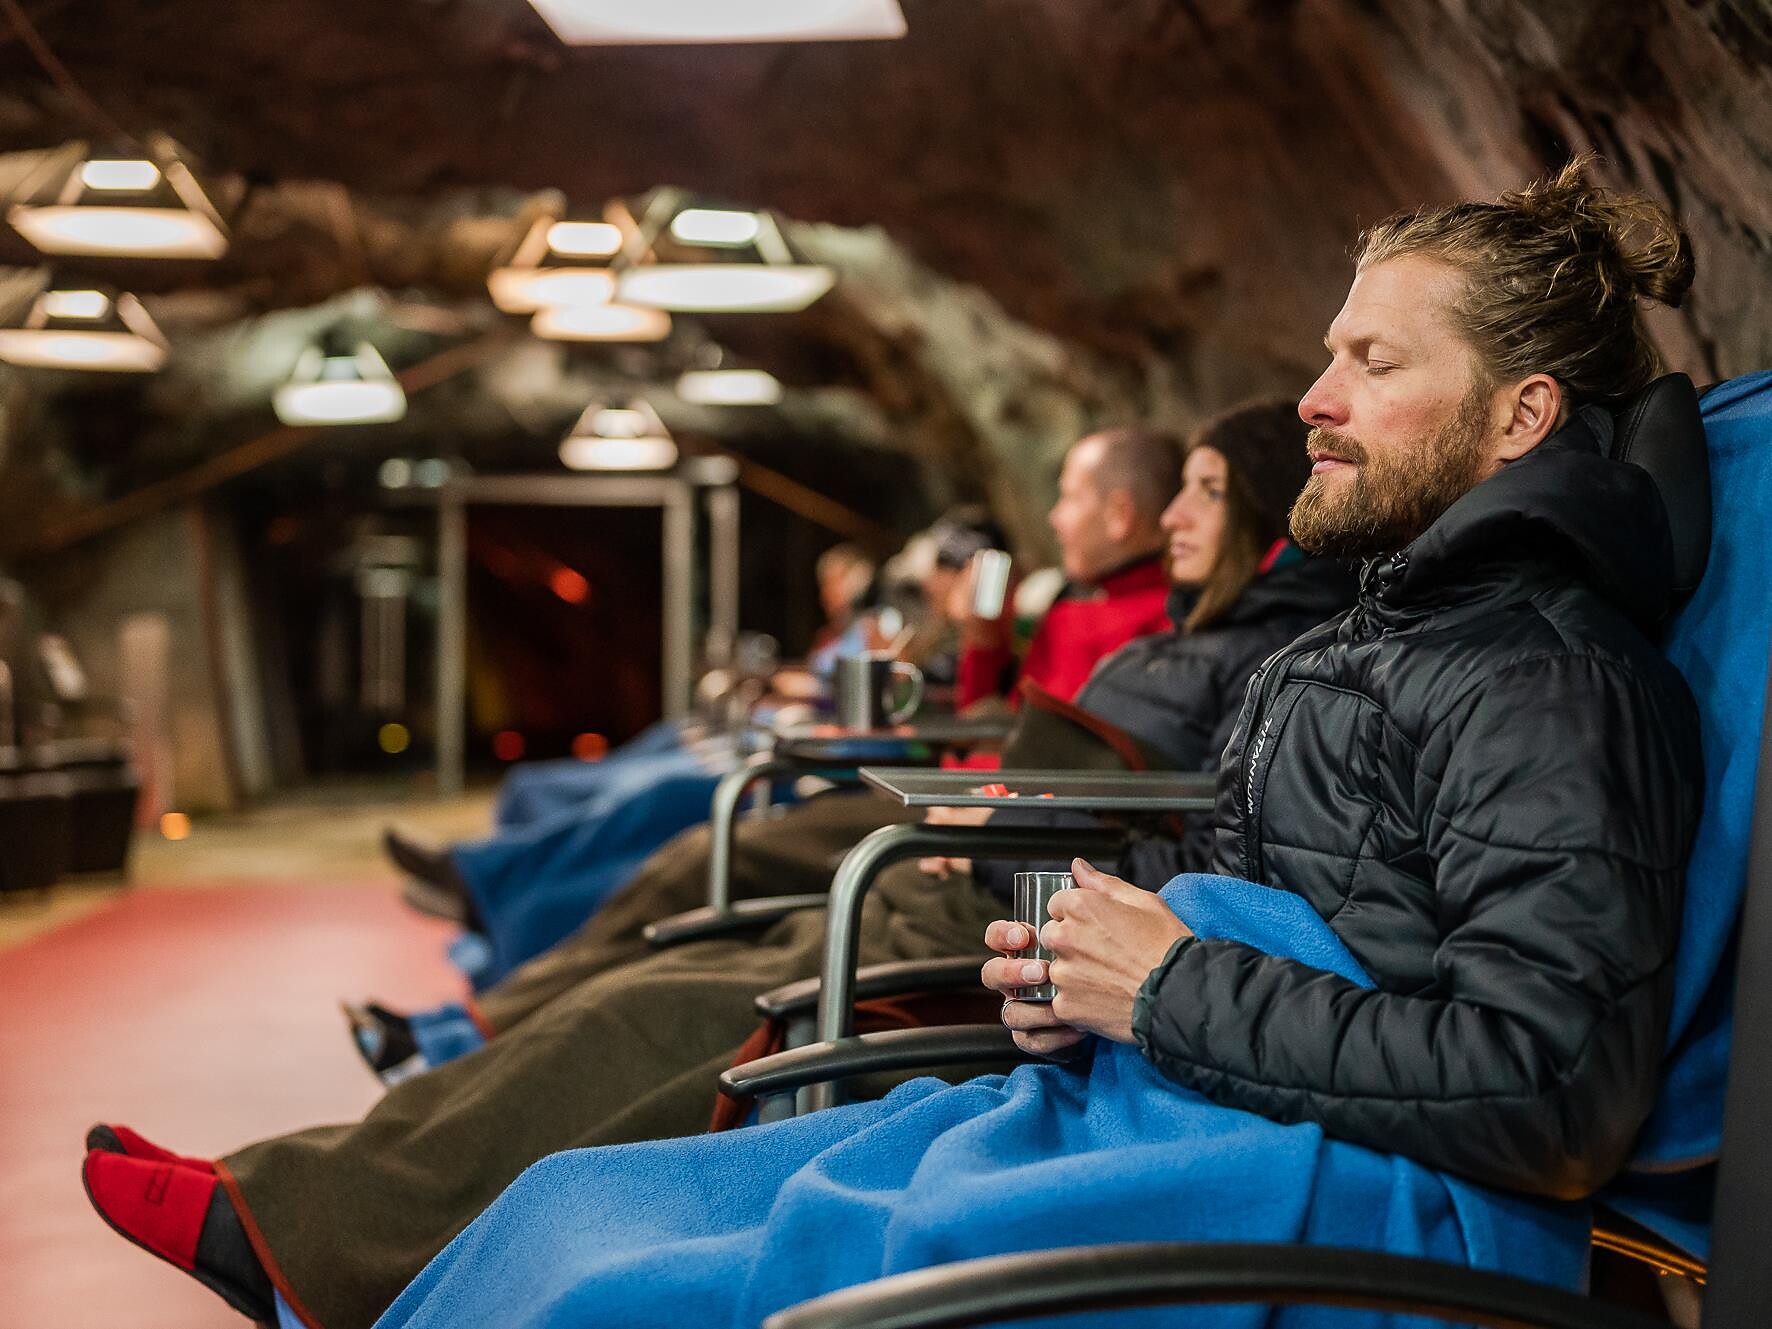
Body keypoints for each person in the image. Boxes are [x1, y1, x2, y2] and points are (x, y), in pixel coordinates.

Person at [343, 159, 1712, 1329]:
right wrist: (1079, 956)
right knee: (581, 1200)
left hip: (1352, 1205)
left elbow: (1550, 1084)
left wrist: (1164, 984)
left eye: (1373, 362)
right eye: (1328, 352)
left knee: (635, 1278)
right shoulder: (1394, 631)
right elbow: (1297, 907)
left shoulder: (1551, 677)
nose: (1313, 397)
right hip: (1217, 1115)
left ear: (1521, 417)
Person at [80, 402, 1353, 1329]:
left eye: (1199, 490)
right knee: (678, 909)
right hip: (987, 877)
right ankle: (321, 1173)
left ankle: (299, 1224)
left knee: (674, 990)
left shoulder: (1260, 645)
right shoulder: (1223, 637)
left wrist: (1007, 806)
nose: (1175, 515)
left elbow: (1218, 844)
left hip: (1017, 915)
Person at [349, 430, 1183, 1068]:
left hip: (962, 823)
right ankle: (485, 928)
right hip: (941, 799)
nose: (1052, 516)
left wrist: (980, 797)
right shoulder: (1074, 611)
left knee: (685, 845)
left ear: (1120, 511)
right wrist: (976, 645)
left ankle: (479, 964)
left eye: (1069, 497)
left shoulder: (1143, 633)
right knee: (665, 818)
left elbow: (1052, 758)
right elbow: (998, 721)